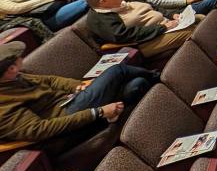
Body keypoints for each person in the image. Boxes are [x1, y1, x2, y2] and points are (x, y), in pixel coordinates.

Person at [0, 41, 157, 146]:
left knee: (137, 85)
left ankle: (129, 122)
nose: (22, 58)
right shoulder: (3, 102)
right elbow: (39, 129)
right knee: (118, 70)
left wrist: (77, 86)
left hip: (72, 101)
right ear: (11, 68)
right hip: (65, 117)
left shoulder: (15, 76)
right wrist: (98, 112)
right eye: (19, 57)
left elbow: (50, 80)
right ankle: (160, 77)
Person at [83, 0, 196, 58]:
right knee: (193, 32)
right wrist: (163, 27)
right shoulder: (99, 18)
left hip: (166, 24)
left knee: (200, 19)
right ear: (103, 2)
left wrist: (172, 15)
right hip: (145, 42)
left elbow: (152, 6)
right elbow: (124, 36)